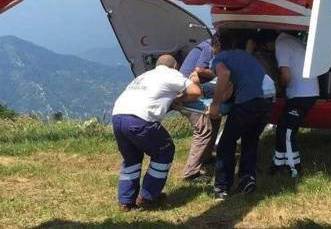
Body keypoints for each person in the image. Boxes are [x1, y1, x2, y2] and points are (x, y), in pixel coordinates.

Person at [111, 54, 202, 211]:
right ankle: (148, 196)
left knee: (131, 158)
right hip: (140, 119)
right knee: (164, 151)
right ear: (175, 66)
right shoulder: (172, 74)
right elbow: (195, 92)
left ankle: (125, 200)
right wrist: (181, 97)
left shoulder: (145, 75)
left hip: (118, 117)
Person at [208, 29, 272, 199]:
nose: (211, 51)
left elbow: (224, 74)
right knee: (250, 140)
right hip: (267, 101)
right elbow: (233, 85)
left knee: (226, 143)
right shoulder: (246, 56)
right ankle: (247, 179)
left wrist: (215, 104)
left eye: (212, 47)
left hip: (249, 102)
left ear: (217, 45)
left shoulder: (219, 58)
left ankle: (222, 187)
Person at [271, 31, 320, 177]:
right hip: (308, 92)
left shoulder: (281, 44)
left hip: (301, 94)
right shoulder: (293, 40)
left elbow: (286, 75)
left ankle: (295, 169)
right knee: (282, 127)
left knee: (287, 131)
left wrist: (280, 88)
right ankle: (278, 163)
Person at [178, 37, 220, 183]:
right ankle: (191, 173)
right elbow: (198, 71)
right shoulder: (209, 47)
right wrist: (220, 72)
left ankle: (206, 157)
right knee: (204, 129)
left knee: (215, 118)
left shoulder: (208, 44)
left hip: (191, 91)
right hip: (188, 93)